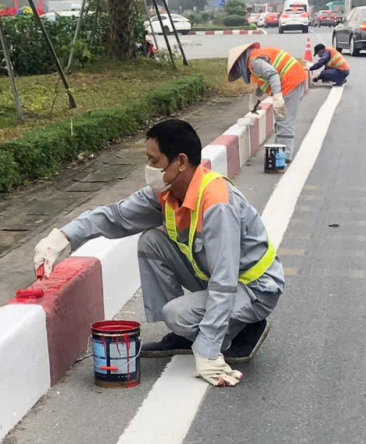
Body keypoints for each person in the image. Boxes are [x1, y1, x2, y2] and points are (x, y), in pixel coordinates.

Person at [32, 119, 284, 387]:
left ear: (181, 162)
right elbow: (117, 216)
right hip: (217, 277)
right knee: (151, 241)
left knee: (178, 314)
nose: (149, 169)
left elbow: (224, 281)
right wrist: (63, 237)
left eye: (154, 161)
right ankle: (186, 333)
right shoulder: (167, 192)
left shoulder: (217, 204)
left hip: (255, 289)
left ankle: (243, 329)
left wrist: (208, 351)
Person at [227, 42, 308, 163]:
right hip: (293, 78)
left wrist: (277, 96)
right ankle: (279, 151)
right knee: (281, 119)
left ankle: (284, 156)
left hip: (290, 82)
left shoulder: (254, 62)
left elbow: (272, 74)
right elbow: (265, 80)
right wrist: (256, 97)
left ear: (240, 63)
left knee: (284, 120)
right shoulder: (254, 59)